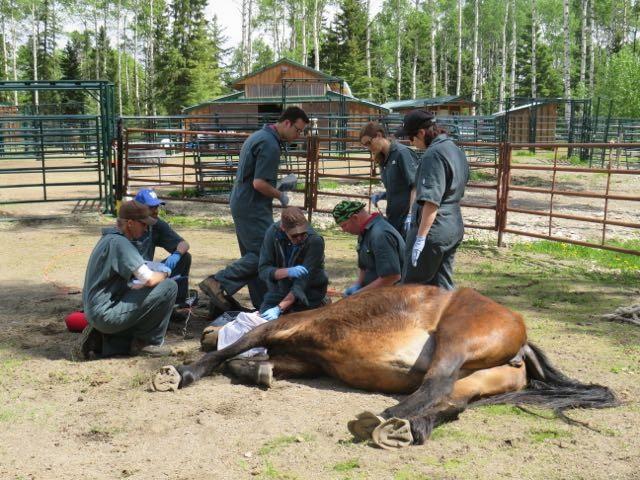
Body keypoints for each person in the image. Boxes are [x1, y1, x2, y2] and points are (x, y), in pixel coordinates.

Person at [199, 107, 310, 311]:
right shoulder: (270, 144)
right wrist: (282, 196)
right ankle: (218, 283)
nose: (298, 136)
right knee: (263, 255)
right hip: (252, 205)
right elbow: (259, 183)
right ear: (287, 123)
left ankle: (260, 304)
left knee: (255, 256)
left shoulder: (259, 136)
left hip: (243, 202)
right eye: (298, 130)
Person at [74, 200, 177, 360]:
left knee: (139, 287)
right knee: (169, 287)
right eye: (143, 224)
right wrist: (166, 272)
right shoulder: (121, 244)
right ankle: (147, 343)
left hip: (97, 310)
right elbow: (148, 279)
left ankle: (108, 342)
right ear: (130, 223)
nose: (146, 228)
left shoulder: (109, 239)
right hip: (105, 313)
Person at [395, 109, 469, 290]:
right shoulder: (454, 149)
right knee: (442, 286)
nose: (410, 143)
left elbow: (431, 201)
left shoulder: (432, 155)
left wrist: (421, 238)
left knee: (412, 289)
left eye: (411, 138)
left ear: (421, 133)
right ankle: (450, 318)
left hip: (434, 230)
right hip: (453, 225)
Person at [258, 207, 329, 320]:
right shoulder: (273, 233)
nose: (300, 238)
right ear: (283, 228)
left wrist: (279, 308)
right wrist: (287, 272)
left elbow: (302, 283)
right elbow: (263, 270)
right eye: (294, 236)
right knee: (262, 323)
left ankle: (322, 301)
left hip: (309, 291)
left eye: (303, 233)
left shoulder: (315, 241)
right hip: (280, 290)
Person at [332, 200, 405, 297]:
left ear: (355, 218)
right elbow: (364, 267)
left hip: (391, 297)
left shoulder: (380, 235)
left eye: (344, 225)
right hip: (375, 293)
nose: (344, 230)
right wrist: (358, 284)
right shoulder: (364, 231)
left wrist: (358, 295)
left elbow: (392, 277)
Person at [133, 188, 191, 306]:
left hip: (147, 270)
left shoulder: (156, 224)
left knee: (185, 257)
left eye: (157, 207)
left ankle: (176, 304)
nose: (155, 211)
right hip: (131, 271)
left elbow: (184, 244)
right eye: (151, 208)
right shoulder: (129, 227)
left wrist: (176, 254)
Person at [359, 121, 418, 237]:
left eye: (369, 143)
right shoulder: (382, 159)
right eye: (365, 146)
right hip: (393, 216)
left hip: (407, 218)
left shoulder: (402, 153)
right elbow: (399, 186)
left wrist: (412, 214)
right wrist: (383, 195)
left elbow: (416, 186)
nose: (368, 148)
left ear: (379, 135)